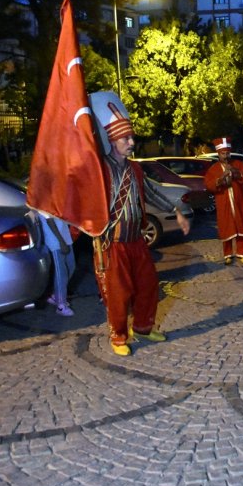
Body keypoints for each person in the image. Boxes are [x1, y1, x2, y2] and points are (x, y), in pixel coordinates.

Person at [89, 91, 191, 356]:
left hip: (137, 240)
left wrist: (176, 212)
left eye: (131, 137)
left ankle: (144, 327)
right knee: (119, 292)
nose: (131, 142)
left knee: (148, 285)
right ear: (112, 140)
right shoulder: (101, 169)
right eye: (126, 138)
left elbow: (153, 193)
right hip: (115, 243)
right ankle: (119, 337)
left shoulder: (135, 169)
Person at [204, 138, 243, 264]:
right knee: (226, 226)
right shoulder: (214, 168)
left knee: (241, 224)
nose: (225, 156)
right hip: (223, 201)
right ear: (218, 154)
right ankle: (228, 254)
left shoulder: (238, 163)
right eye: (223, 154)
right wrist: (220, 179)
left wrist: (235, 172)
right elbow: (209, 184)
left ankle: (242, 253)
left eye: (227, 153)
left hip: (239, 201)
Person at [37, 211, 76, 316]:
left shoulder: (56, 196)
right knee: (61, 273)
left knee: (71, 266)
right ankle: (61, 306)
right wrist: (61, 242)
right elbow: (50, 221)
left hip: (64, 236)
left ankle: (56, 295)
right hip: (54, 239)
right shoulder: (44, 199)